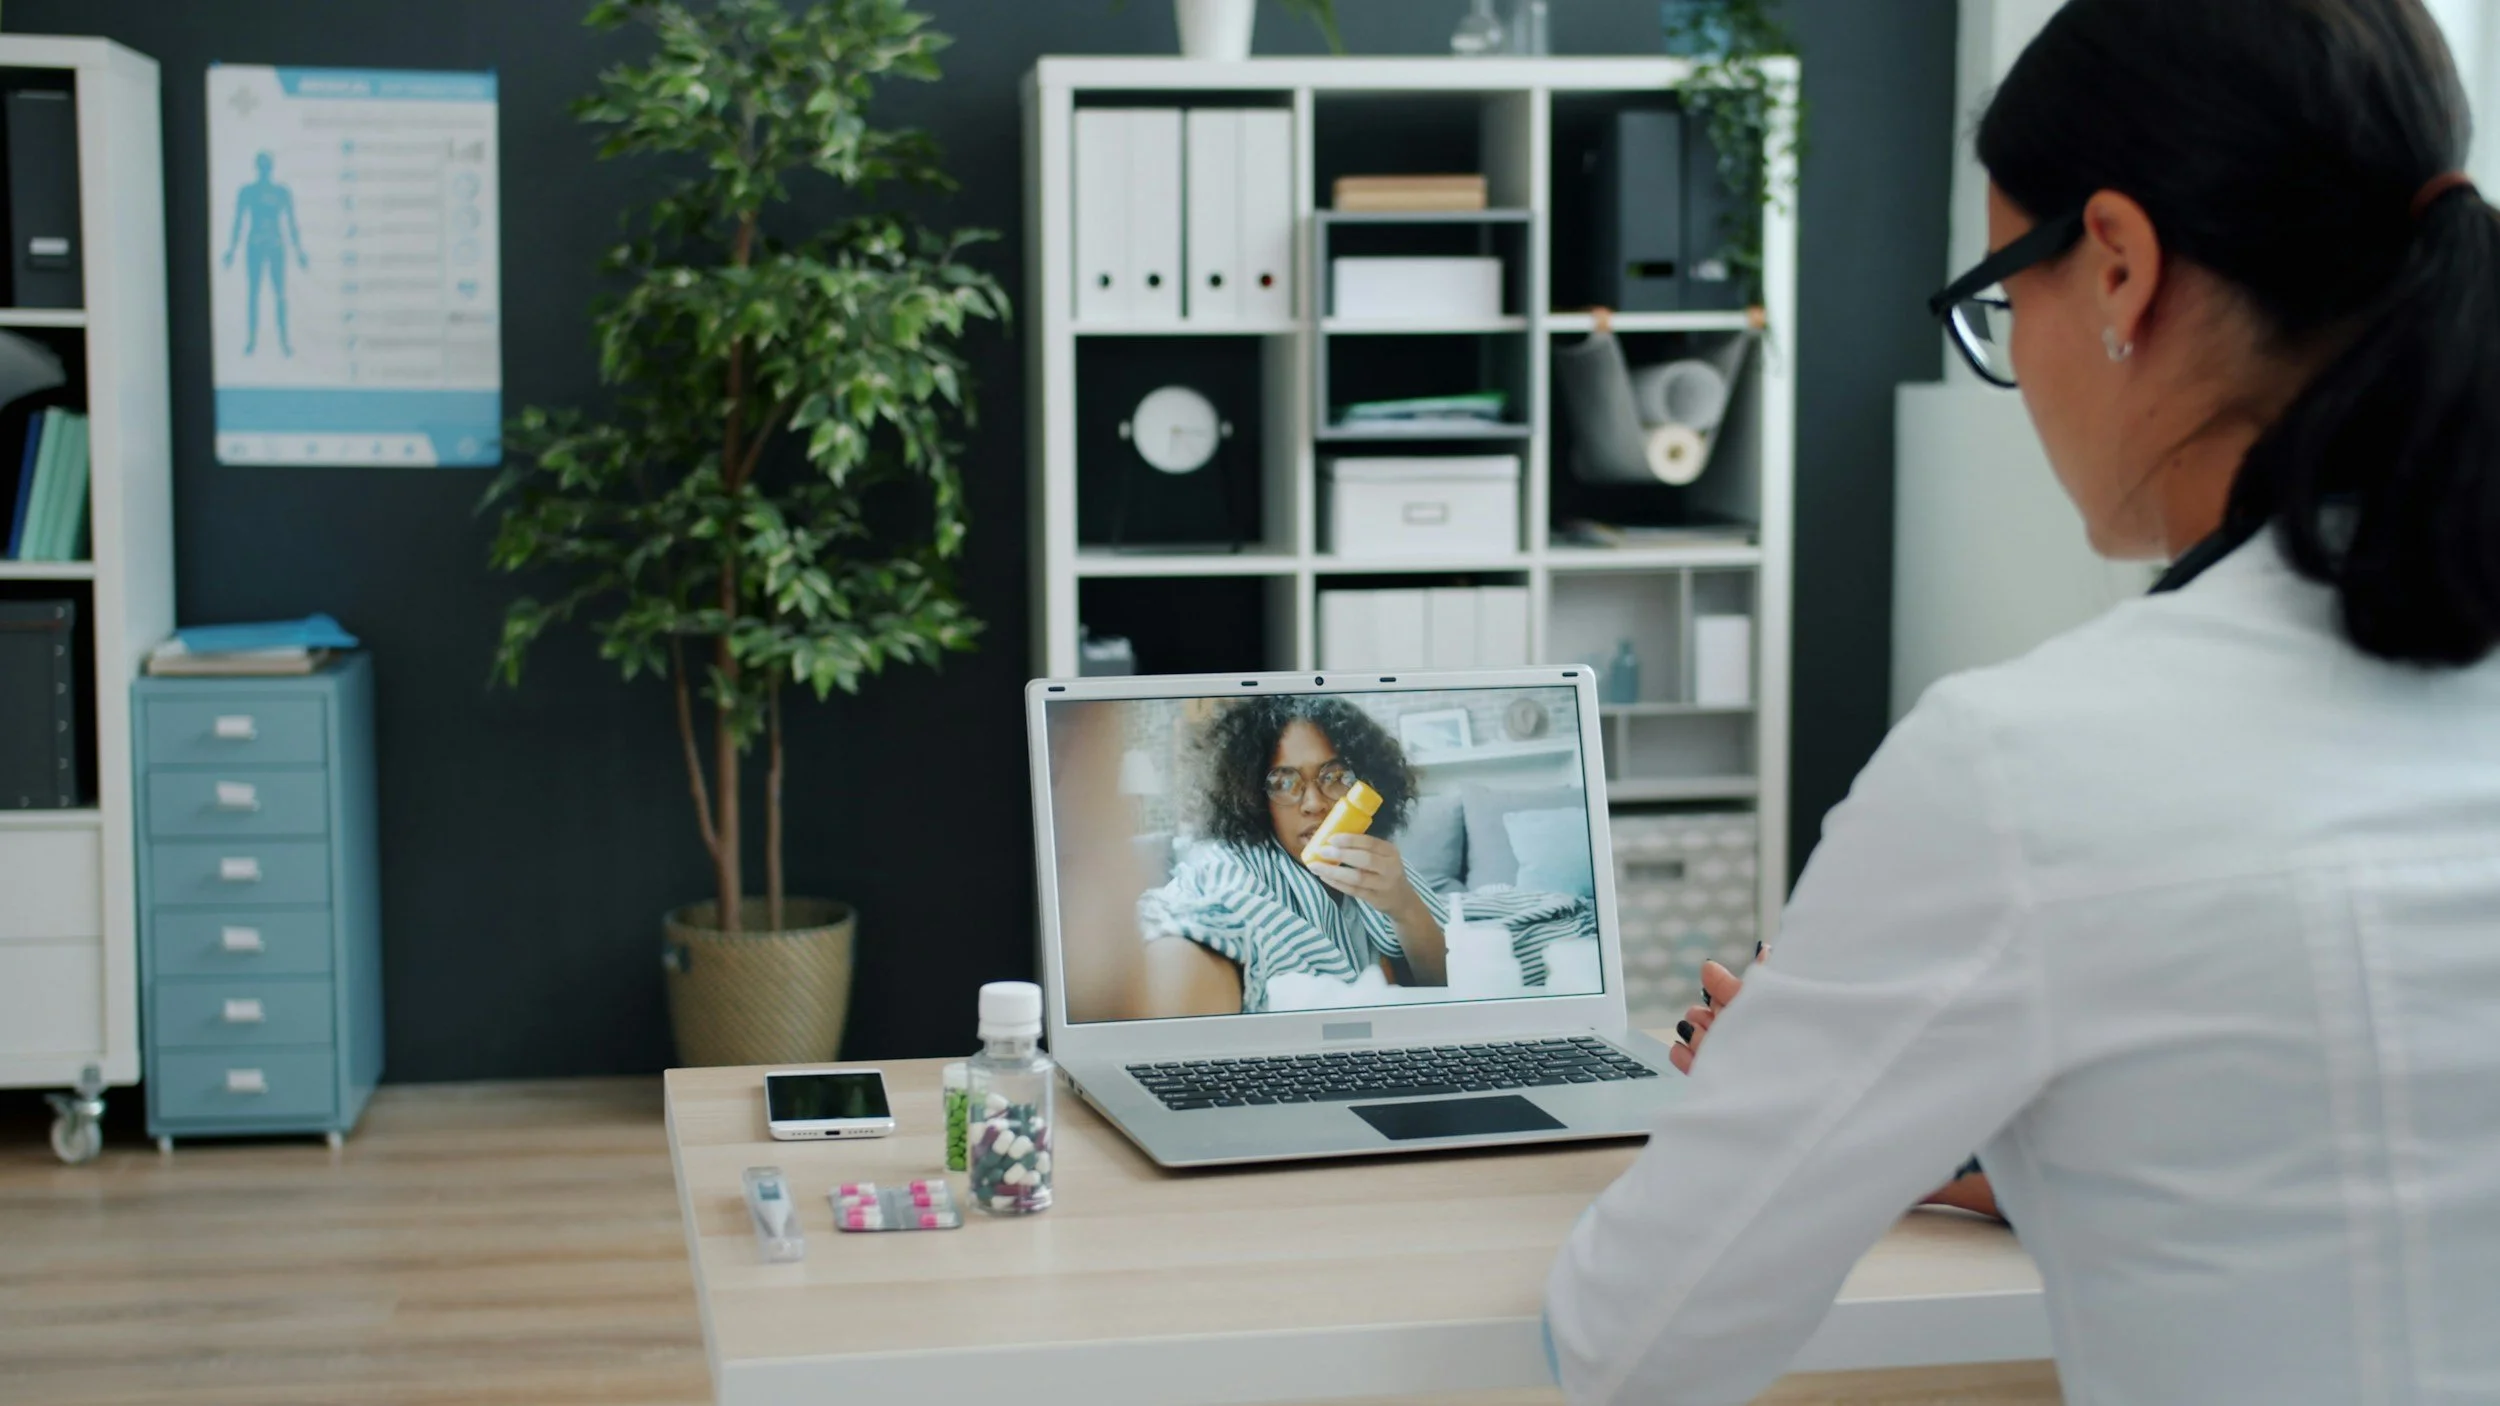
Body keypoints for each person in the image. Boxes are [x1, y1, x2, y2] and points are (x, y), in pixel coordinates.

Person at [1545, 1, 2500, 1402]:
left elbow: (1625, 1342)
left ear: (2116, 265)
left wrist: (1799, 1101)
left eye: (2004, 294)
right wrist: (2048, 1143)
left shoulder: (2025, 766)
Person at [1137, 695, 1592, 1015]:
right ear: (1251, 796)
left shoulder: (1383, 863)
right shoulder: (1233, 865)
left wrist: (1405, 906)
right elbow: (1211, 923)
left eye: (1334, 776)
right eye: (1283, 782)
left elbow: (1443, 987)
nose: (1313, 802)